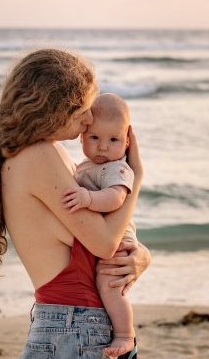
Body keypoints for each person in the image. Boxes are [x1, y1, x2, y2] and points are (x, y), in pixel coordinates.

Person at [0, 48, 151, 359]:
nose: (90, 117)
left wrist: (141, 256)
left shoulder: (42, 156)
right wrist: (136, 178)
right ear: (55, 108)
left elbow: (101, 238)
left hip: (72, 327)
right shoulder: (40, 157)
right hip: (77, 327)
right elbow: (105, 244)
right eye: (83, 107)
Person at [62, 93, 138, 357]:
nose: (103, 147)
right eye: (95, 138)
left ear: (127, 142)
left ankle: (125, 334)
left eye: (113, 140)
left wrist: (88, 198)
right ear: (82, 137)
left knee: (110, 284)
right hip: (104, 235)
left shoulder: (117, 169)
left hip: (118, 239)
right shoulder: (86, 166)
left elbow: (115, 198)